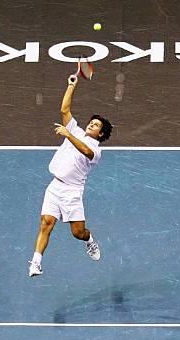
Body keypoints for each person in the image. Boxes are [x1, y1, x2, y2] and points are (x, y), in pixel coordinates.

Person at [28, 74, 112, 277]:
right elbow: (64, 110)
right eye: (91, 122)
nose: (91, 125)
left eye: (96, 125)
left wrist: (68, 135)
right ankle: (36, 263)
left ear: (100, 134)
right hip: (55, 187)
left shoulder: (95, 149)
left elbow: (84, 150)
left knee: (77, 233)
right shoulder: (75, 129)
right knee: (46, 223)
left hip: (72, 192)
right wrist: (70, 86)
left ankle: (89, 239)